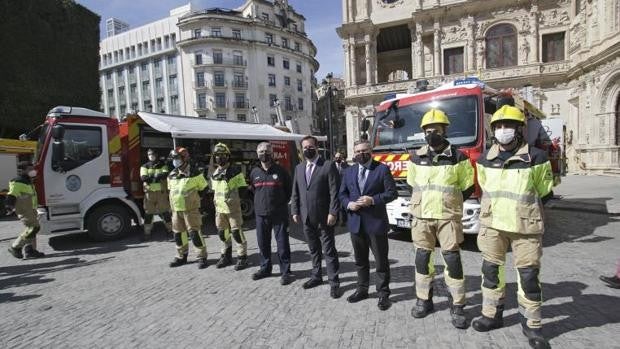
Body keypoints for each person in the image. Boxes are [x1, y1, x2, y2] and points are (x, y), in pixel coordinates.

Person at [472, 105, 554, 349]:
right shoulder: (486, 158)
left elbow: (545, 192)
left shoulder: (537, 157)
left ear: (520, 129)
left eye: (508, 125)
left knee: (528, 276)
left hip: (525, 227)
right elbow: (485, 188)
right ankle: (491, 314)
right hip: (493, 225)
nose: (502, 130)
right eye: (498, 126)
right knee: (491, 272)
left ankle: (532, 325)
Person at [406, 108, 475, 329]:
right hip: (422, 218)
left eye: (435, 130)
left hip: (447, 217)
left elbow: (467, 187)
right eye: (427, 131)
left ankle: (457, 306)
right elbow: (412, 185)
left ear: (445, 130)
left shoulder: (459, 157)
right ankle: (424, 300)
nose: (431, 134)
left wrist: (449, 203)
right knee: (422, 260)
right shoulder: (416, 157)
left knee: (453, 261)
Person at [339, 140, 397, 310]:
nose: (360, 153)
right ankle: (362, 289)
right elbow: (342, 194)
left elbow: (392, 193)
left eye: (364, 150)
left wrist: (373, 200)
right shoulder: (348, 171)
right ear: (353, 152)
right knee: (360, 261)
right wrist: (348, 204)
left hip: (376, 223)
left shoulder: (382, 169)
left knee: (381, 262)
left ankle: (383, 294)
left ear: (370, 151)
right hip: (355, 223)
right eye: (357, 151)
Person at [291, 135, 342, 298]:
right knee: (313, 250)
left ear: (317, 147)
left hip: (324, 217)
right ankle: (316, 276)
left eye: (310, 147)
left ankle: (334, 282)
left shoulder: (328, 166)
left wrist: (333, 212)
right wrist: (294, 210)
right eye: (304, 147)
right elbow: (296, 191)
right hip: (306, 217)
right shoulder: (299, 168)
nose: (307, 150)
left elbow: (335, 191)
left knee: (329, 251)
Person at [250, 142, 293, 285]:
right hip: (261, 215)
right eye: (261, 151)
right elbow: (253, 192)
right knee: (263, 243)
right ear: (257, 154)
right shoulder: (254, 172)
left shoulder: (281, 171)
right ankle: (265, 268)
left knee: (282, 244)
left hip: (279, 215)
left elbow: (288, 191)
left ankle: (285, 272)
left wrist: (279, 205)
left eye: (267, 151)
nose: (264, 154)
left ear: (272, 153)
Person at [167, 147, 209, 269]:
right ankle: (181, 256)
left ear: (184, 158)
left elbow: (204, 188)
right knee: (178, 234)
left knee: (194, 233)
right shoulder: (172, 174)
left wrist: (194, 199)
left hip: (190, 210)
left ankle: (201, 257)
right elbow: (171, 191)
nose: (175, 161)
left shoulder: (194, 173)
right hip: (176, 210)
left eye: (177, 158)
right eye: (173, 159)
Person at [211, 143, 248, 270]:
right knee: (223, 233)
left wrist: (235, 199)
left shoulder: (235, 171)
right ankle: (226, 256)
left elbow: (243, 188)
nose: (219, 158)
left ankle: (242, 257)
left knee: (237, 232)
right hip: (219, 210)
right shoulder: (215, 173)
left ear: (227, 156)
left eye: (222, 155)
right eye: (217, 156)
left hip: (233, 209)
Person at [6, 161, 45, 259]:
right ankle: (15, 247)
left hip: (31, 208)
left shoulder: (28, 181)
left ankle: (30, 251)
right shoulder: (18, 181)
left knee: (32, 231)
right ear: (22, 170)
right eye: (29, 169)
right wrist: (9, 206)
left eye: (33, 169)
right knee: (34, 228)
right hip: (24, 209)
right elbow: (12, 194)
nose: (33, 171)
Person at [140, 148, 173, 240]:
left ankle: (170, 230)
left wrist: (151, 178)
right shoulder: (144, 166)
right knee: (148, 214)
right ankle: (147, 232)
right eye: (149, 154)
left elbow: (164, 175)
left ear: (156, 155)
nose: (151, 156)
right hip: (149, 194)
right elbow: (144, 178)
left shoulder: (163, 165)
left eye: (153, 154)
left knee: (165, 212)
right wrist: (156, 177)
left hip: (161, 193)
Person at [334, 151, 349, 226]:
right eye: (336, 157)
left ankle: (344, 221)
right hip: (334, 188)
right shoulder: (332, 166)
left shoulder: (346, 166)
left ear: (342, 158)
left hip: (343, 188)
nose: (338, 159)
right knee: (335, 204)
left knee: (343, 205)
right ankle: (336, 220)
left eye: (339, 157)